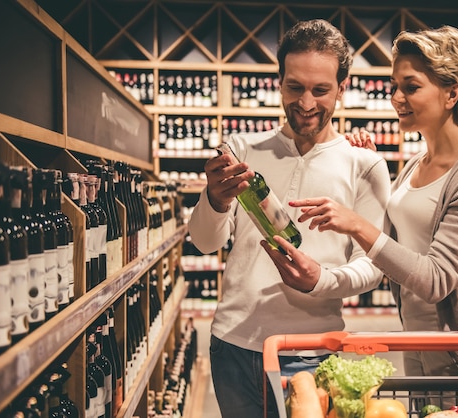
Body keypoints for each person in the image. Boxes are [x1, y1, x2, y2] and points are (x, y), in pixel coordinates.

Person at [272, 25, 458, 378]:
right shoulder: (417, 163)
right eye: (395, 86)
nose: (396, 97)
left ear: (451, 93)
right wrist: (365, 168)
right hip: (416, 337)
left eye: (410, 87)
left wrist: (356, 223)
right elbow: (395, 244)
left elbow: (436, 280)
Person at [187, 19, 391, 417]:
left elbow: (374, 265)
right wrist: (214, 199)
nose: (307, 103)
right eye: (295, 87)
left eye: (321, 90)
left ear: (342, 89)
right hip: (233, 342)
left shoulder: (365, 164)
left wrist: (321, 281)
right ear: (278, 81)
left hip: (313, 351)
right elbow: (205, 243)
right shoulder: (242, 149)